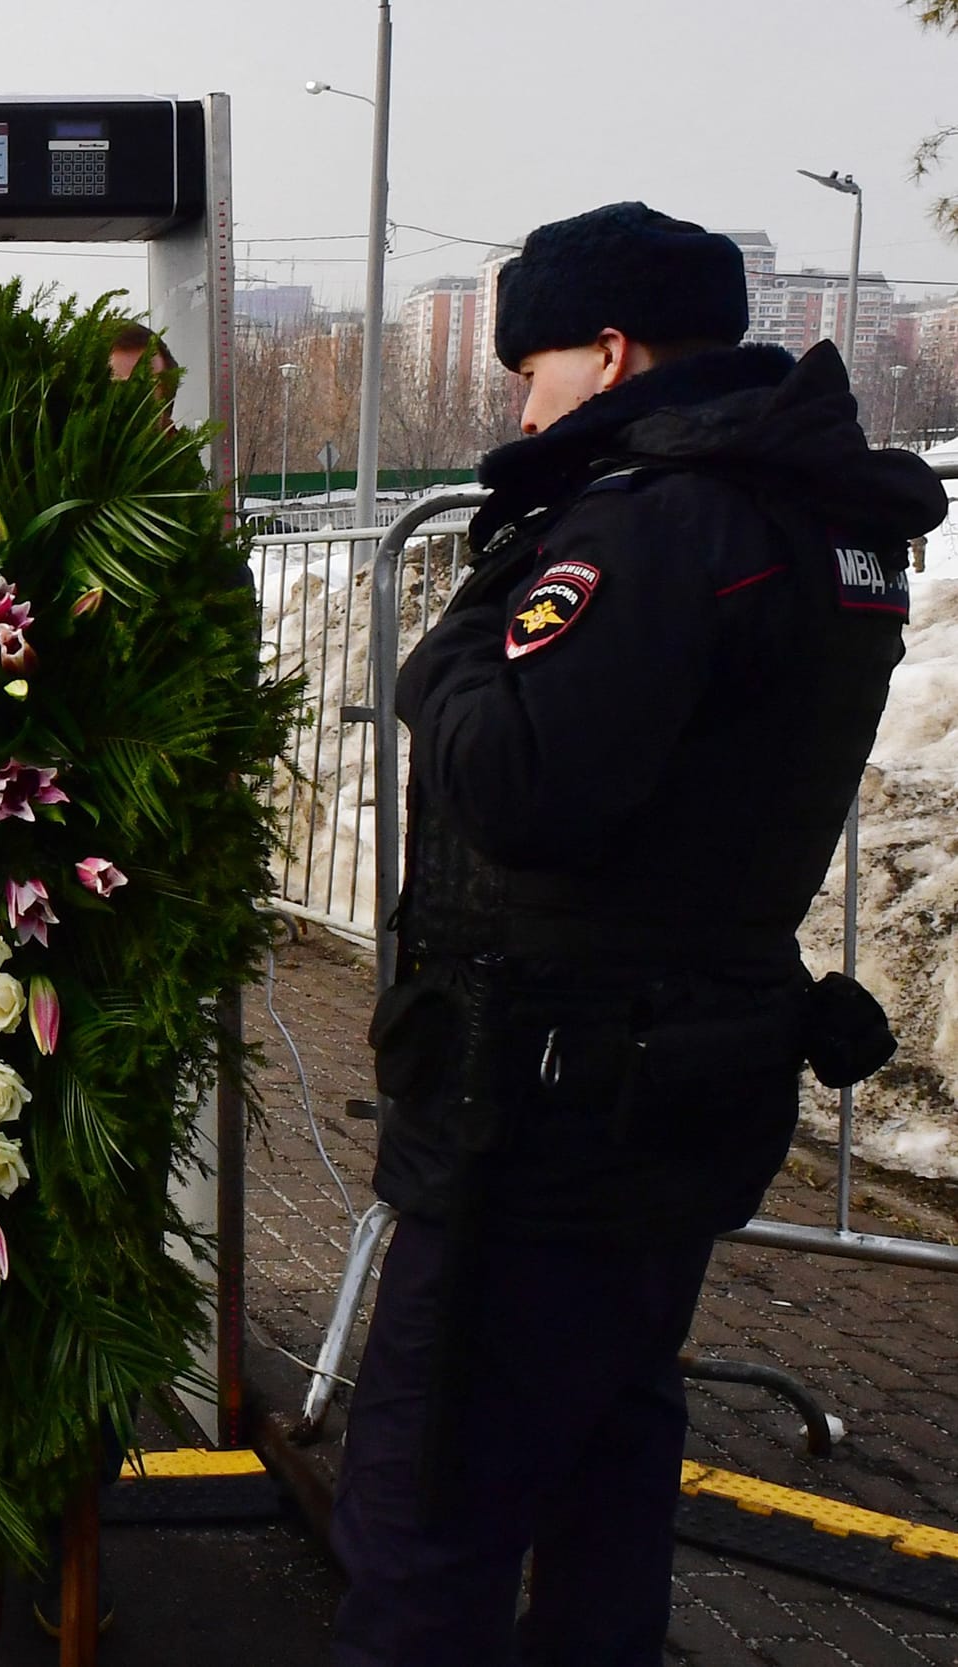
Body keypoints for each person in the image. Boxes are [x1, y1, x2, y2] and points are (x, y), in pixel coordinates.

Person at [329, 203, 944, 1666]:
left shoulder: (655, 522)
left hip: (543, 1110)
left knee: (432, 1502)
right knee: (606, 1465)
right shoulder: (805, 515)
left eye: (527, 366)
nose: (516, 401)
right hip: (672, 1082)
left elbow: (527, 783)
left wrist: (454, 643)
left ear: (608, 353)